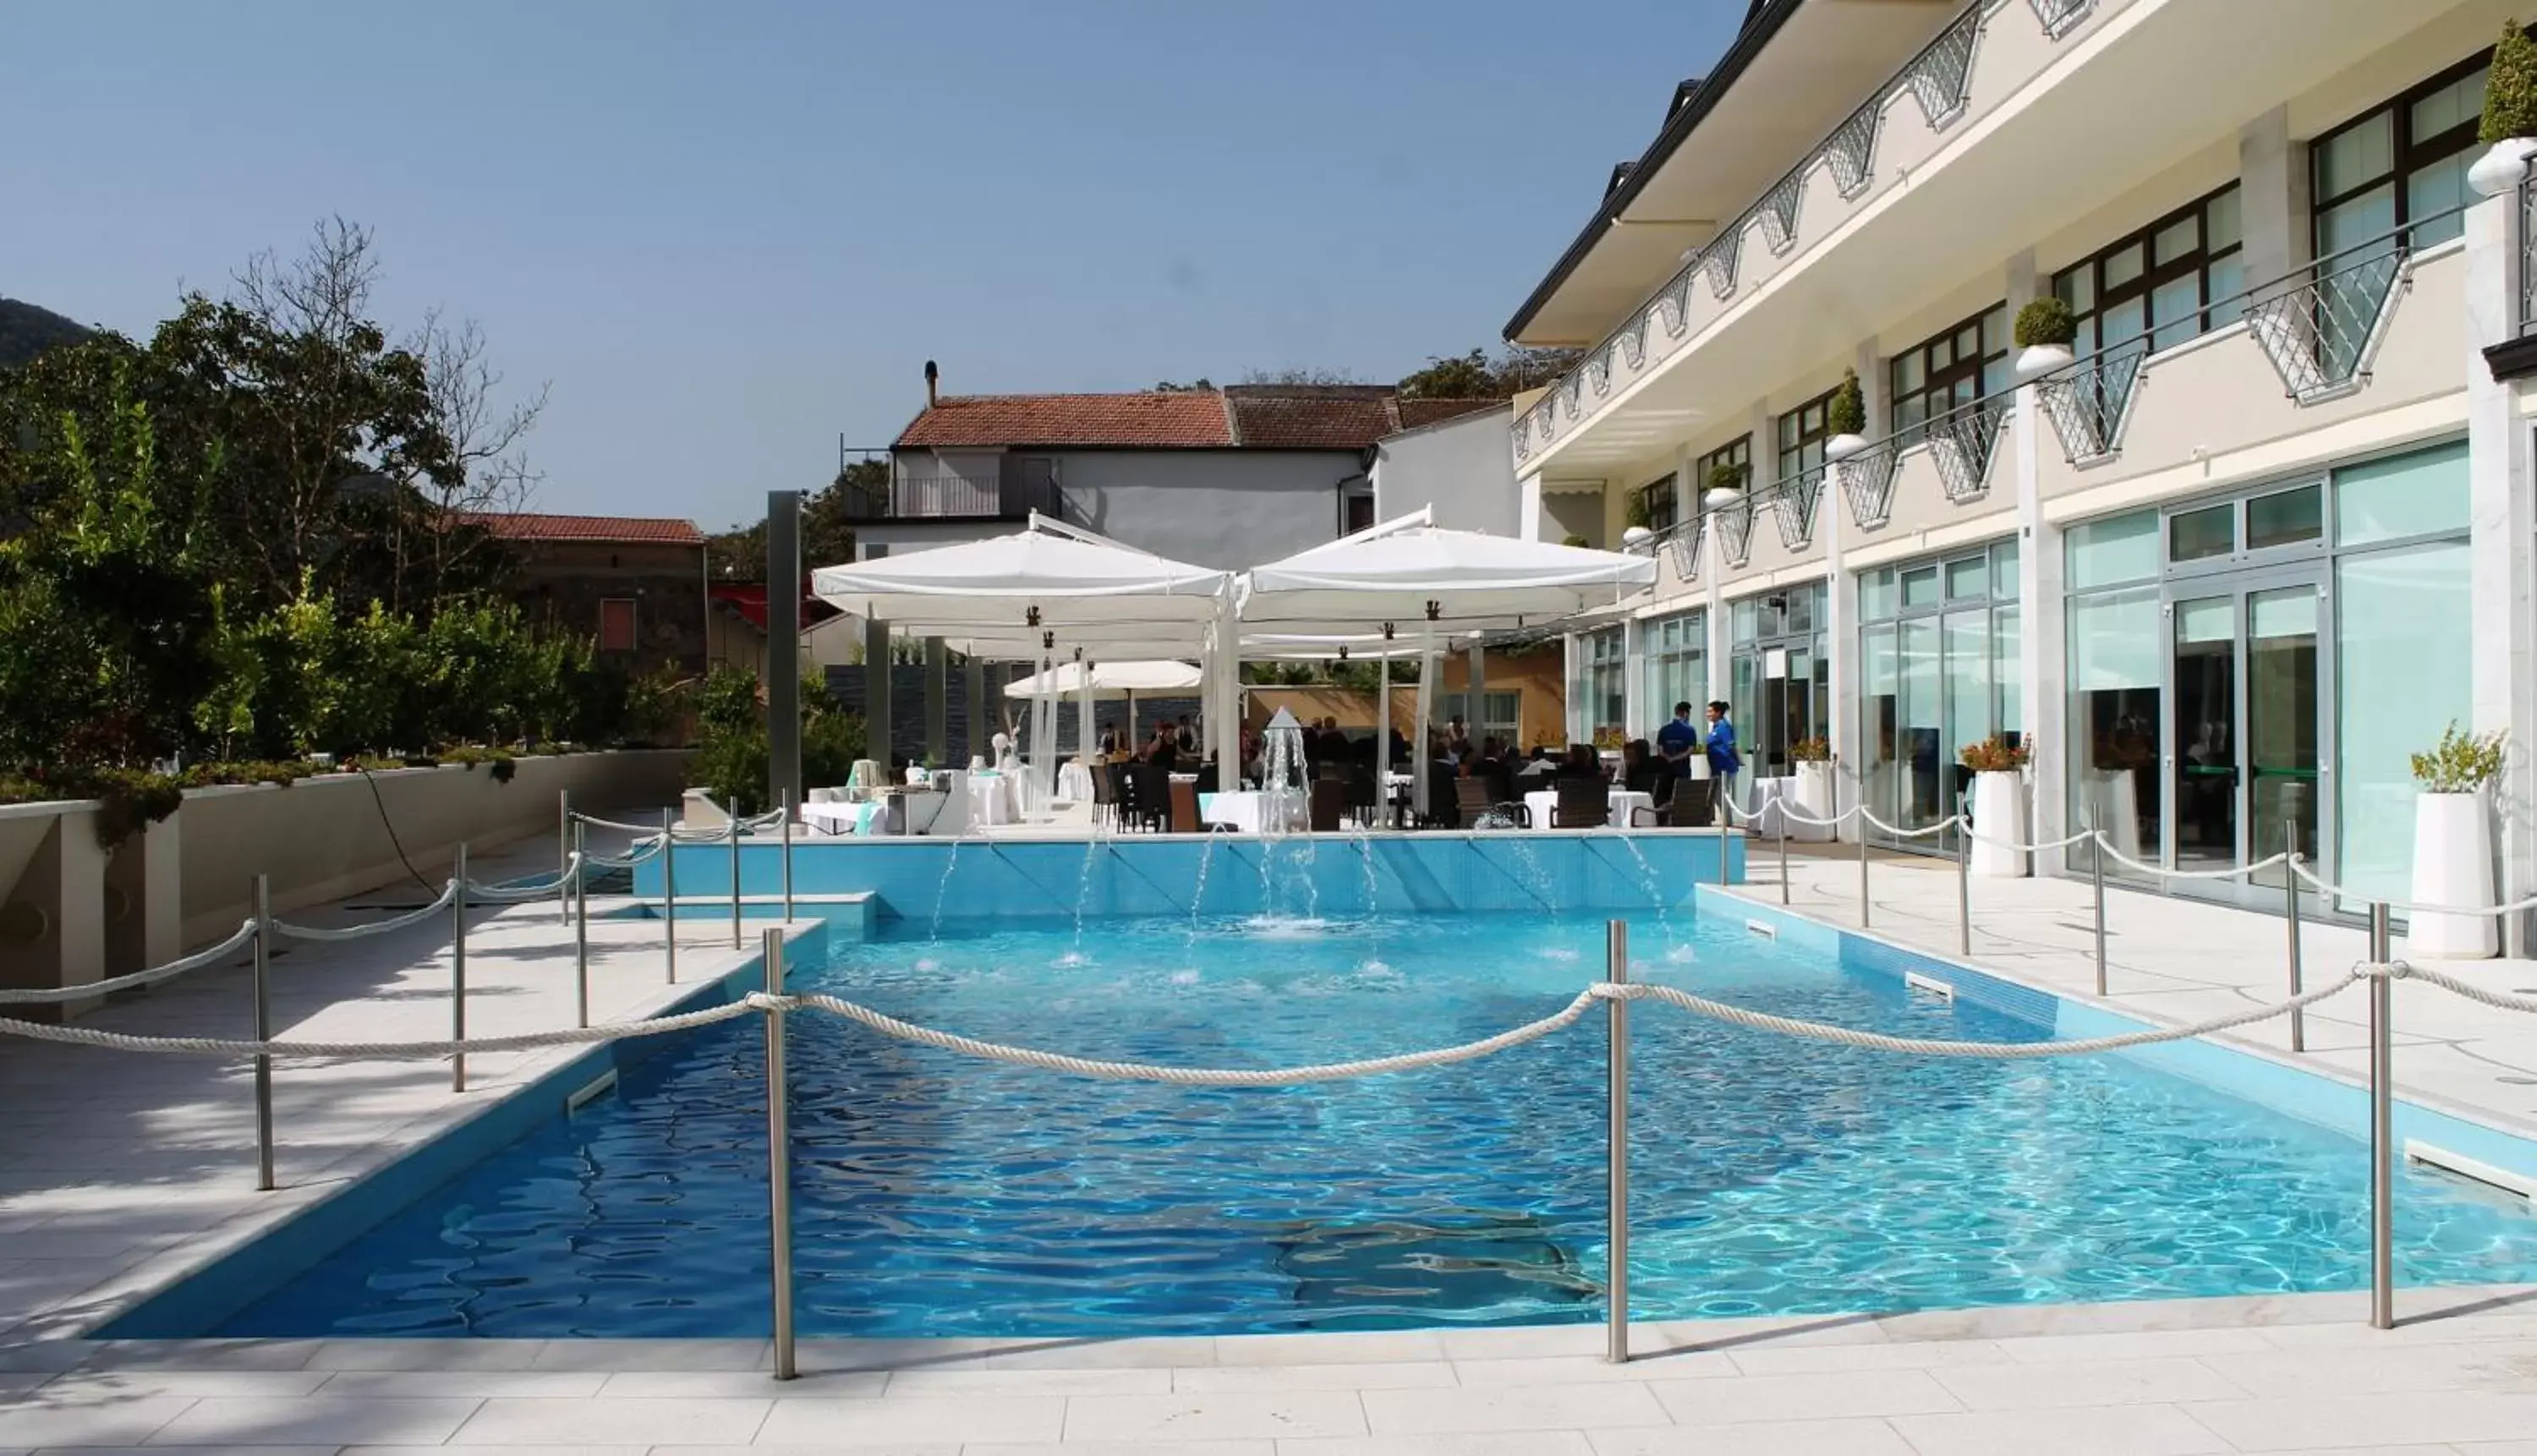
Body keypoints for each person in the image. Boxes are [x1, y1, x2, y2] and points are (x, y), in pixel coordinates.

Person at [1705, 700, 1742, 825]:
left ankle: (1728, 824)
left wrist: (1739, 760)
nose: (1708, 714)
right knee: (1717, 796)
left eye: (1710, 711)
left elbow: (1731, 745)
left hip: (1725, 767)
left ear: (1718, 712)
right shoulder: (1715, 727)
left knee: (1721, 796)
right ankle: (1727, 822)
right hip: (1716, 768)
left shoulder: (1723, 727)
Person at [1656, 701, 1701, 781]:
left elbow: (1660, 751)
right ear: (1686, 714)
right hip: (1683, 770)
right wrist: (1675, 758)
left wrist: (1669, 758)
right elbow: (1690, 751)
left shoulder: (1664, 729)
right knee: (1683, 792)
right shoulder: (1689, 730)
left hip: (1666, 769)